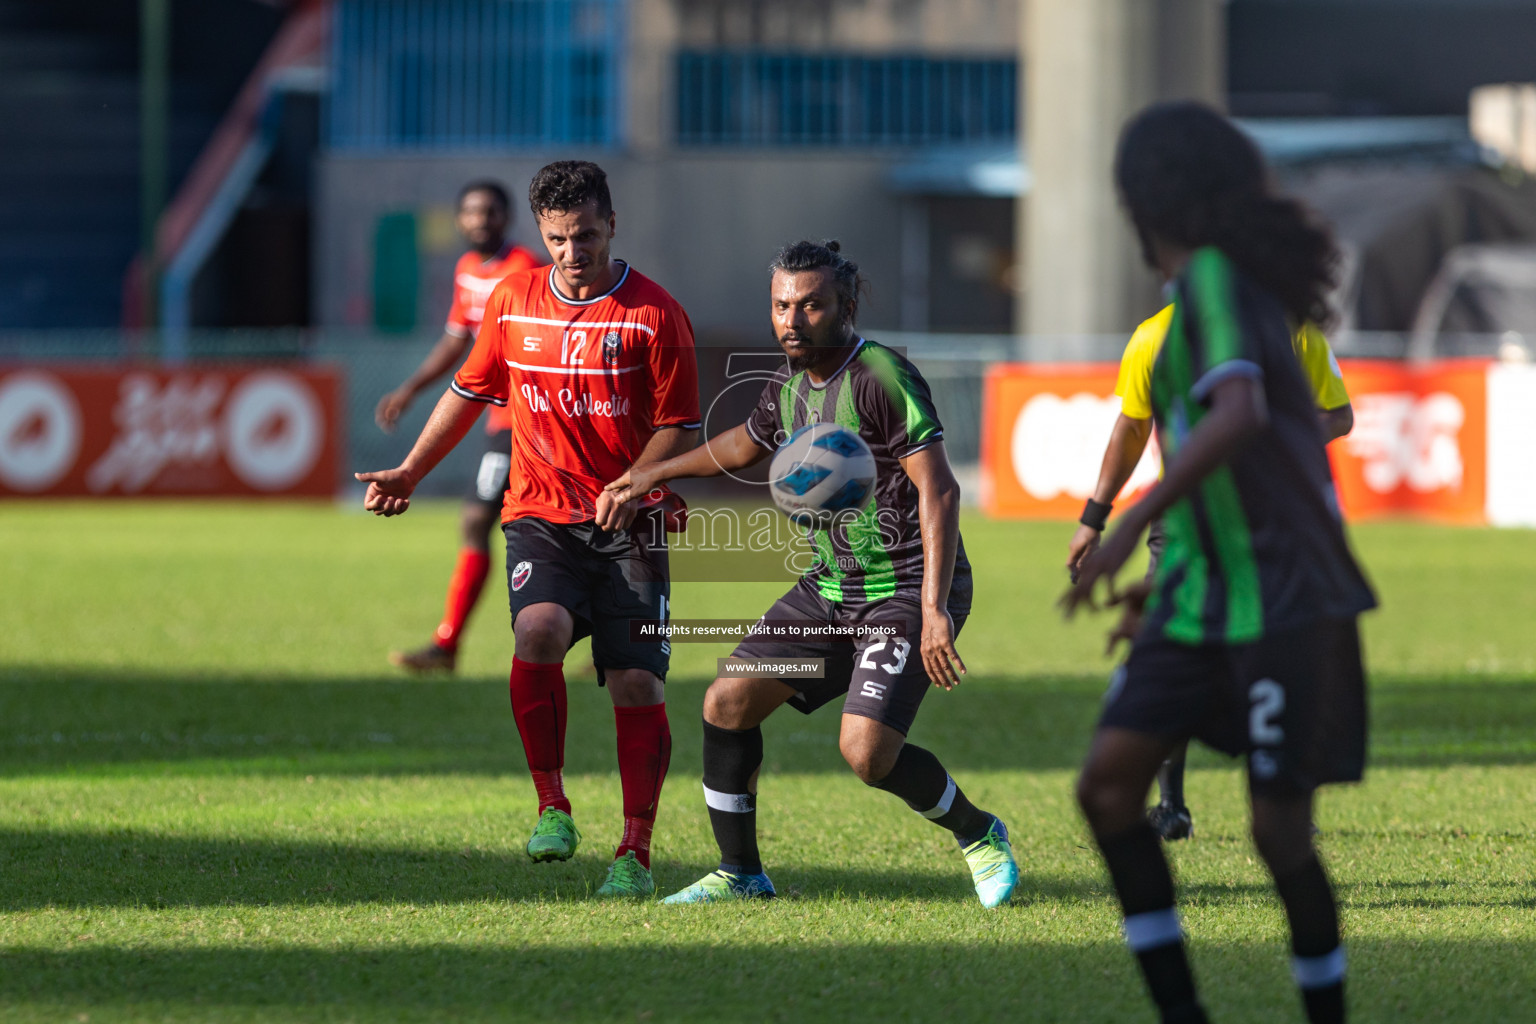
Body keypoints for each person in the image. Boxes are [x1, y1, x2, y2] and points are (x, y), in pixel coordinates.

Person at [1063, 102, 1376, 1024]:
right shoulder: (1194, 303)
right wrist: (1160, 583)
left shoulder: (1215, 288)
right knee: (1109, 788)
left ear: (1143, 199)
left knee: (1279, 835)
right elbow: (1230, 458)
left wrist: (1126, 525)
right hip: (1200, 590)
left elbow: (1237, 420)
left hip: (1286, 595)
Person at [605, 240, 1020, 907]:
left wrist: (936, 608)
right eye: (781, 305)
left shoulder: (882, 375)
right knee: (726, 703)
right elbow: (746, 441)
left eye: (811, 305)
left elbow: (939, 490)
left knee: (866, 753)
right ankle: (741, 875)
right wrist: (652, 472)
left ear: (847, 306)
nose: (792, 320)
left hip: (903, 596)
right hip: (829, 594)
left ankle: (979, 833)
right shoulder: (791, 382)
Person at [356, 161, 701, 898]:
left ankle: (634, 854)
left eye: (585, 236)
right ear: (541, 234)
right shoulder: (513, 300)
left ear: (611, 225)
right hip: (540, 514)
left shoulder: (654, 314)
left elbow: (680, 425)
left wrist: (636, 483)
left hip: (630, 528)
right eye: (558, 240)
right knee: (537, 631)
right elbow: (467, 391)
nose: (573, 254)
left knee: (636, 684)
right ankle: (552, 806)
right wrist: (411, 471)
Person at [1066, 308, 1354, 841]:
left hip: (1272, 524)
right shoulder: (1152, 335)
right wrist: (1094, 518)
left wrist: (1274, 443)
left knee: (1273, 655)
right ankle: (1170, 804)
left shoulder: (1290, 327)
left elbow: (1337, 415)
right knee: (1167, 647)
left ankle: (1287, 800)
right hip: (1184, 524)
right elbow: (1133, 425)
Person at [375, 180, 543, 673]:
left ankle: (448, 647)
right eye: (471, 212)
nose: (480, 220)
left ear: (507, 217)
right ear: (459, 220)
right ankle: (446, 647)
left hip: (536, 417)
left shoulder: (526, 268)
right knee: (484, 522)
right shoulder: (467, 270)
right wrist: (410, 389)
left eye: (490, 211)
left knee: (524, 523)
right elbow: (457, 340)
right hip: (501, 419)